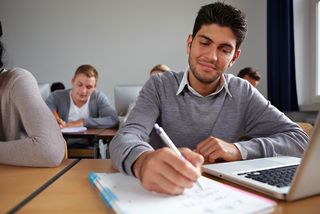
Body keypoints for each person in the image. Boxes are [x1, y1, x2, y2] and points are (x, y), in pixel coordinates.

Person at [109, 2, 309, 195]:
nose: (212, 56)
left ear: (234, 58)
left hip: (223, 196)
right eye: (204, 43)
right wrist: (144, 161)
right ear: (189, 43)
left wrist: (238, 149)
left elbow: (299, 139)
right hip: (163, 193)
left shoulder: (242, 92)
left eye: (224, 49)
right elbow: (124, 138)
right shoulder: (159, 86)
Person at [0, 21, 65, 167]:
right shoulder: (58, 97)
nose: (84, 90)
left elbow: (51, 150)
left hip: (19, 183)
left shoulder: (17, 80)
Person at [46, 64, 118, 129]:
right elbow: (45, 111)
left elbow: (113, 119)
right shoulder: (56, 96)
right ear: (72, 81)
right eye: (80, 85)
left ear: (95, 87)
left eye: (89, 87)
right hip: (61, 143)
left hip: (90, 143)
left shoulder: (98, 97)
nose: (83, 91)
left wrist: (82, 122)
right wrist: (56, 120)